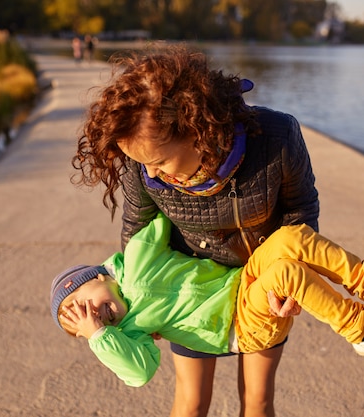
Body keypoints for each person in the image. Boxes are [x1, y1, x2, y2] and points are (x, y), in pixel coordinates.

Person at [72, 43, 317, 416]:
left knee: (258, 399)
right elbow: (136, 230)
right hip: (189, 296)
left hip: (260, 285)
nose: (151, 173)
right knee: (190, 403)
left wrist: (291, 280)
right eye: (142, 165)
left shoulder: (277, 138)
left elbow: (300, 210)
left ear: (196, 129)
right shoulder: (143, 167)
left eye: (159, 162)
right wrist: (139, 302)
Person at [50, 213, 364, 388]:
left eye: (83, 304)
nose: (94, 316)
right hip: (238, 325)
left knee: (290, 238)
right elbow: (139, 374)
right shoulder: (130, 335)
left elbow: (161, 205)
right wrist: (101, 337)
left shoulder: (136, 256)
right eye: (83, 325)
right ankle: (363, 331)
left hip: (241, 281)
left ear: (98, 275)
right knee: (285, 274)